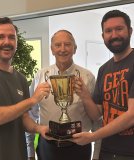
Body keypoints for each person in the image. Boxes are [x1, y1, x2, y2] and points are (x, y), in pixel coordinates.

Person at [26, 29, 102, 160]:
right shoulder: (40, 76)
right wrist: (30, 152)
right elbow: (31, 114)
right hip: (47, 147)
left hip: (79, 148)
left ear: (75, 48)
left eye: (67, 44)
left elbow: (96, 119)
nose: (62, 49)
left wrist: (96, 155)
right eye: (57, 45)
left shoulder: (87, 77)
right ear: (52, 49)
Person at [0, 17, 51, 160]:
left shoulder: (20, 78)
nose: (7, 42)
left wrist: (40, 129)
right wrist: (32, 100)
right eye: (0, 37)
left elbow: (24, 118)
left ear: (16, 42)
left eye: (11, 37)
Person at [71, 10, 134, 160]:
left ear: (130, 31)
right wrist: (85, 96)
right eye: (108, 31)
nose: (114, 35)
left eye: (119, 29)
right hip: (107, 150)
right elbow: (97, 114)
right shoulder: (104, 69)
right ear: (103, 36)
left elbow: (132, 116)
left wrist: (92, 137)